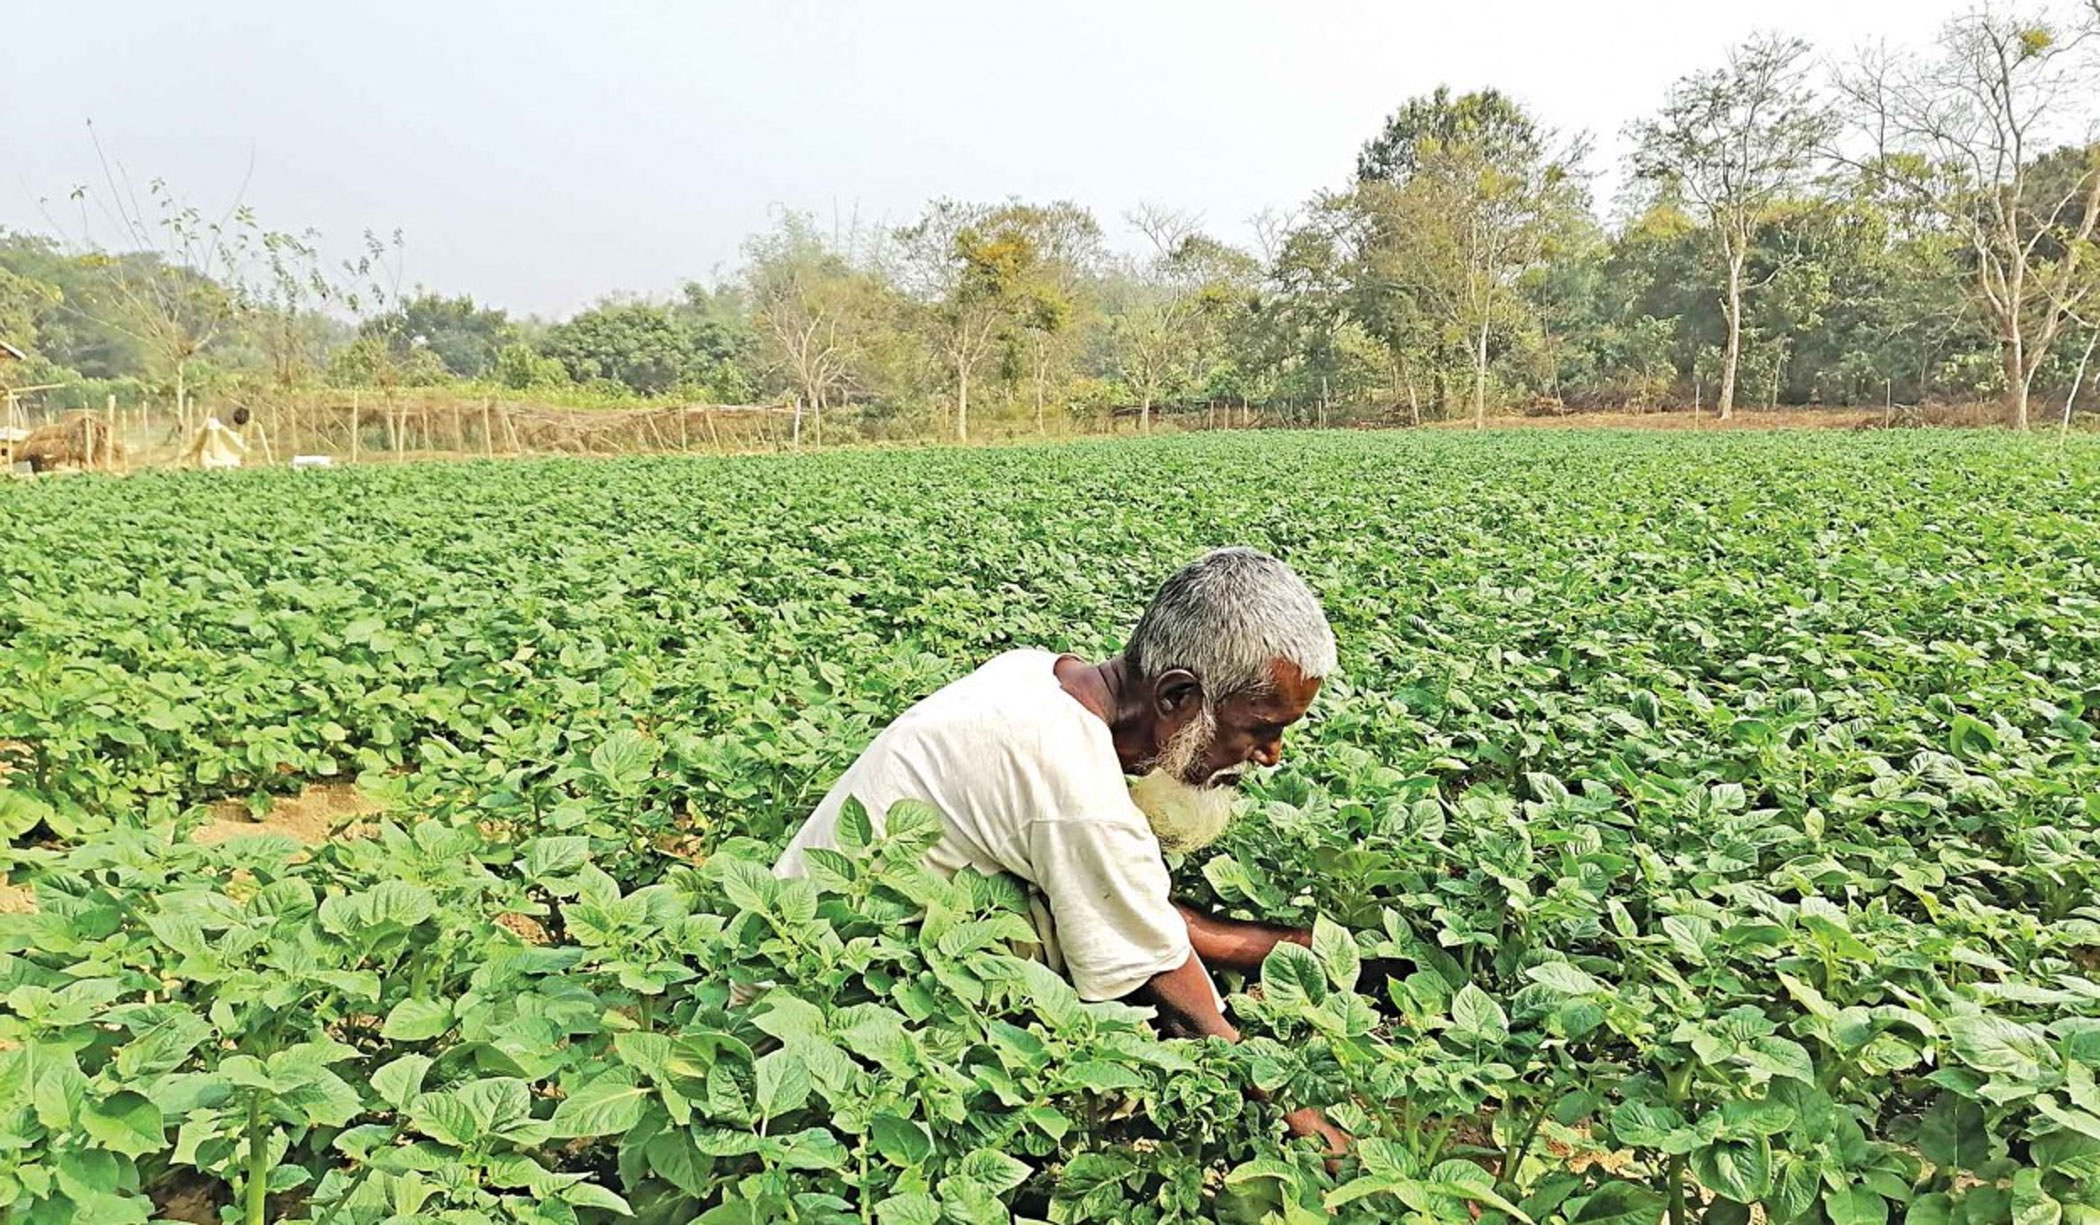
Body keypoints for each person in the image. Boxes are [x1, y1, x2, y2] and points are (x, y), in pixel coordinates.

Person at [769, 546, 1350, 1155]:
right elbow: (1186, 1011)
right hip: (813, 1029)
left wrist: (1295, 949)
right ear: (1177, 697)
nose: (1270, 754)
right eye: (1261, 727)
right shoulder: (1077, 794)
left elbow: (1128, 900)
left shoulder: (1036, 673)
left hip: (807, 951)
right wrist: (1316, 1135)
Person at [180, 406, 250, 470]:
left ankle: (189, 458)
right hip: (227, 463)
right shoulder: (237, 440)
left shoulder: (220, 430)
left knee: (209, 426)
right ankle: (189, 458)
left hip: (210, 461)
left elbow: (198, 433)